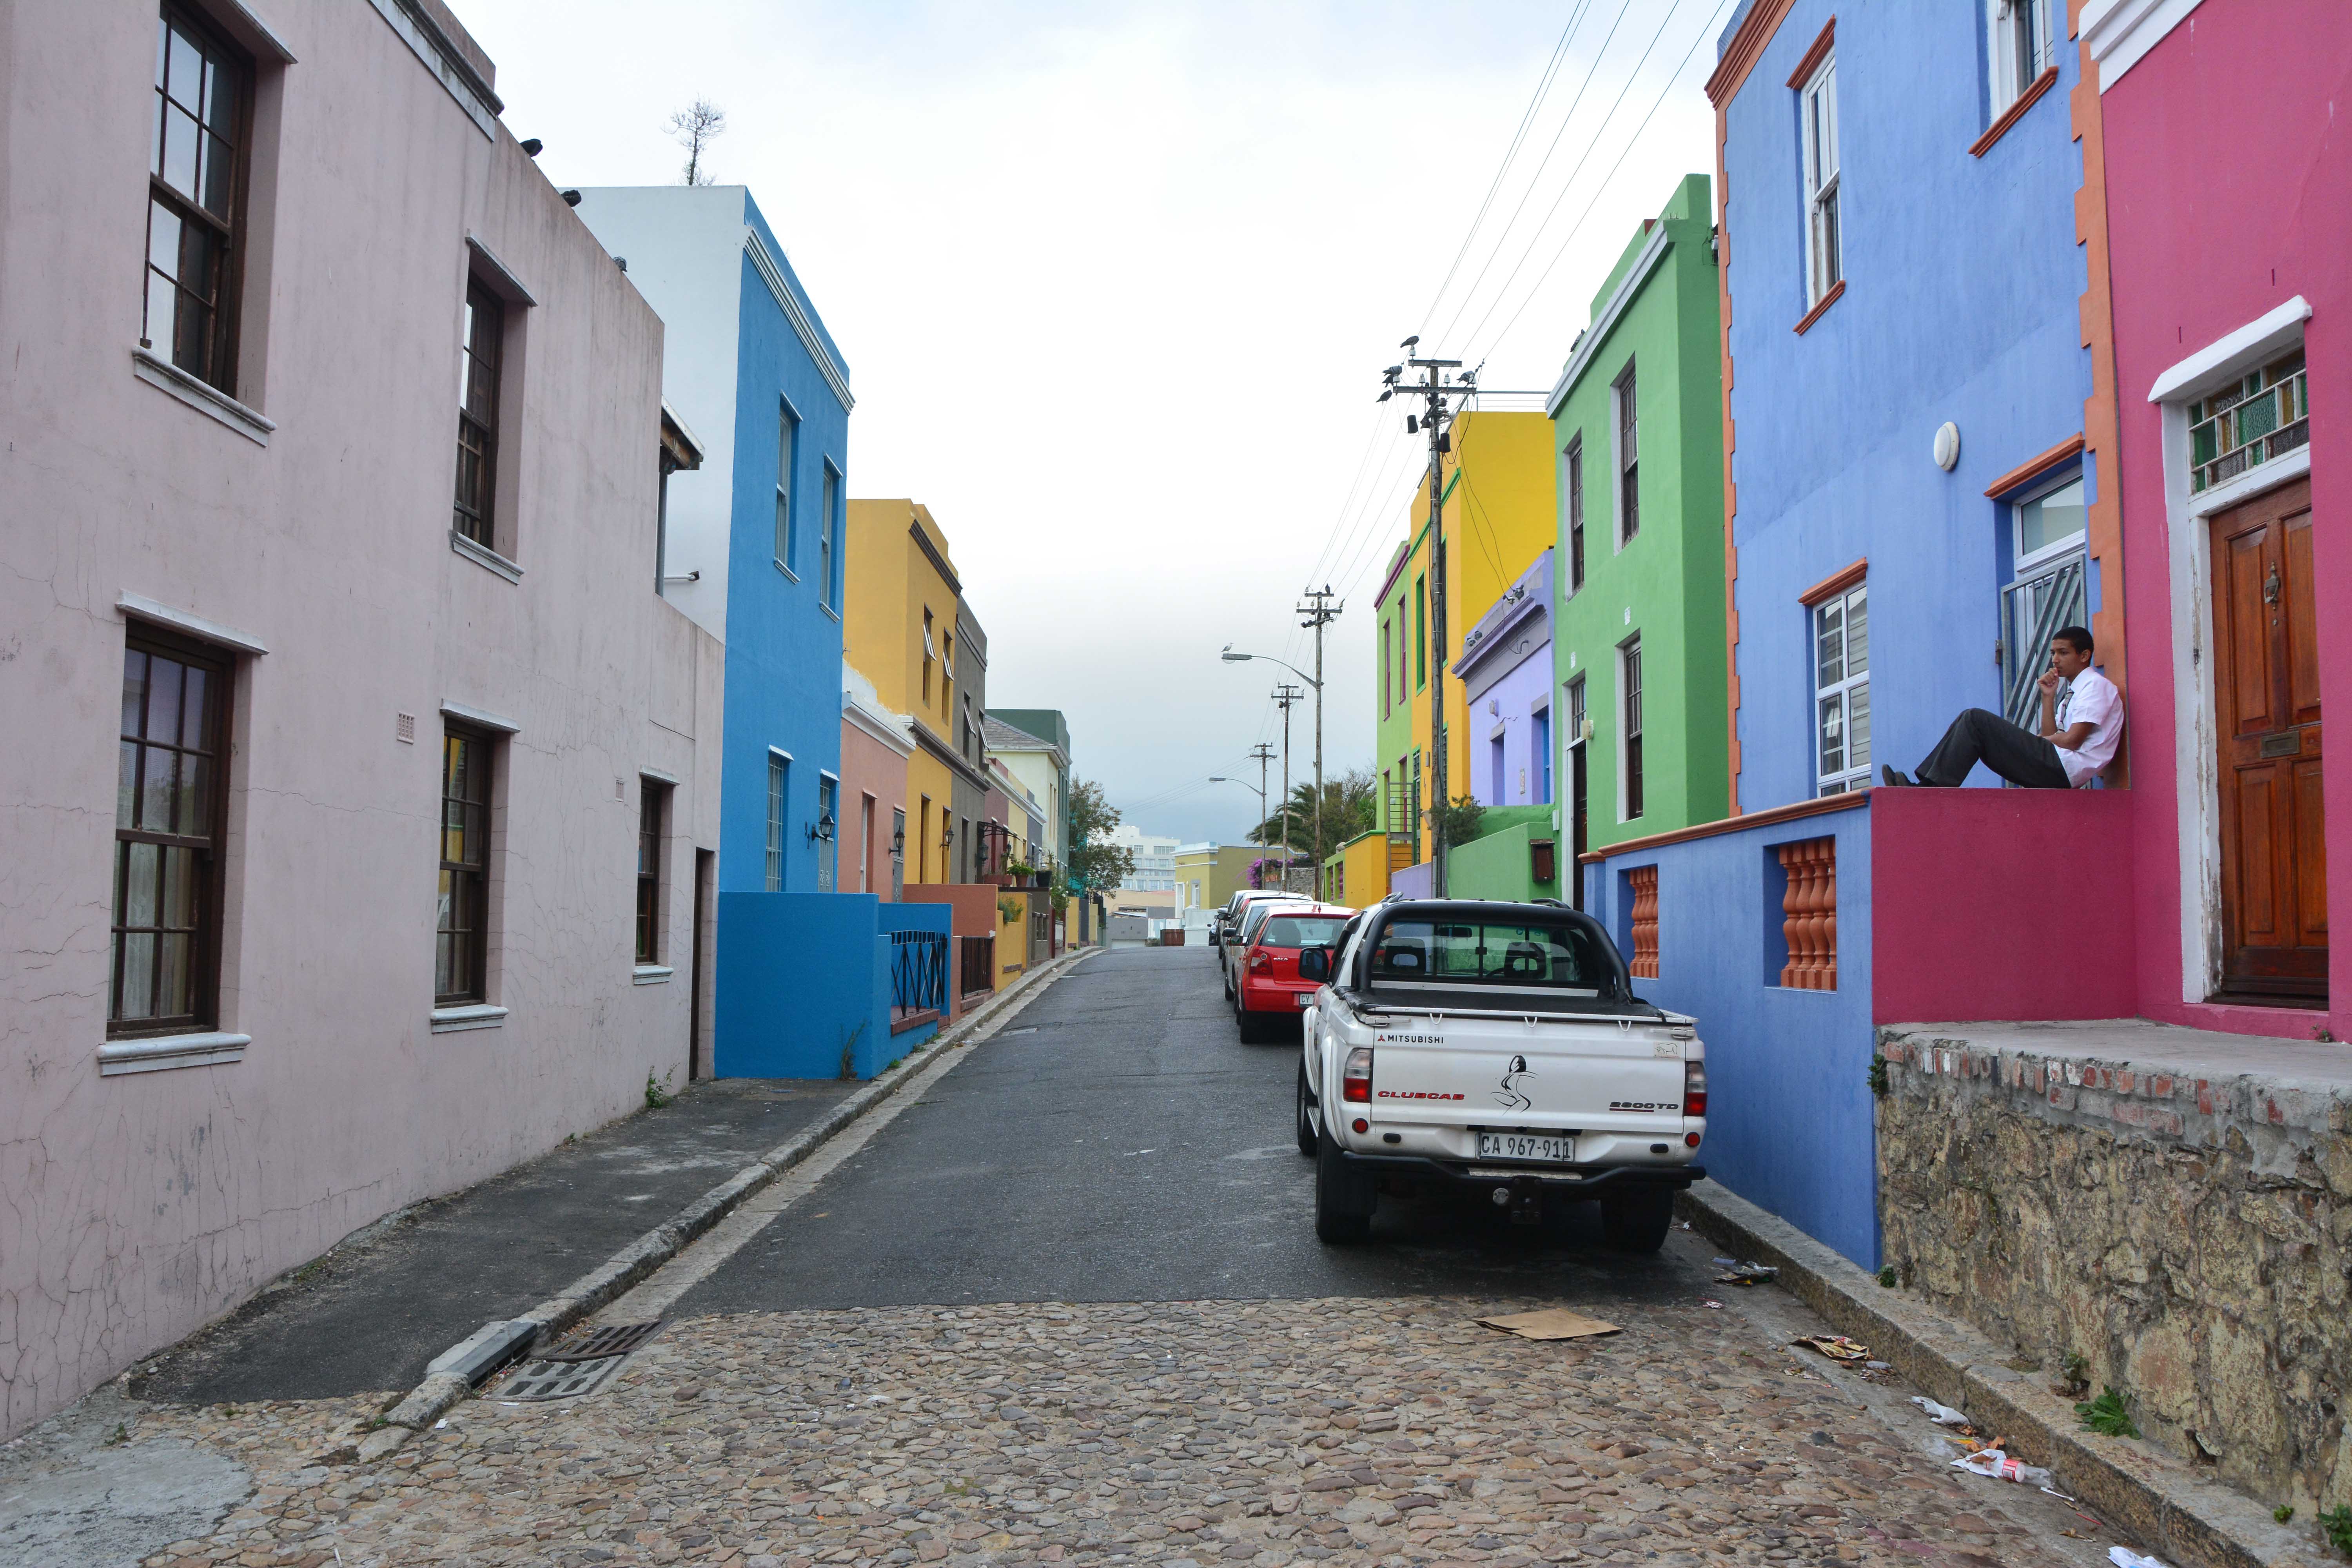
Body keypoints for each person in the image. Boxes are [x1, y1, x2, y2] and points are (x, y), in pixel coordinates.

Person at [1880, 626, 2121, 789]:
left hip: (2066, 770)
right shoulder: (2074, 691)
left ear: (2084, 656)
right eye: (2053, 653)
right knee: (1970, 722)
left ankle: (1929, 789)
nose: (2055, 660)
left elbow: (2073, 741)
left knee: (1975, 719)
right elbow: (2054, 736)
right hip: (2058, 767)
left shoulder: (2096, 686)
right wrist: (2048, 698)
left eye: (2063, 653)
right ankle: (1926, 788)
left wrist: (2038, 741)